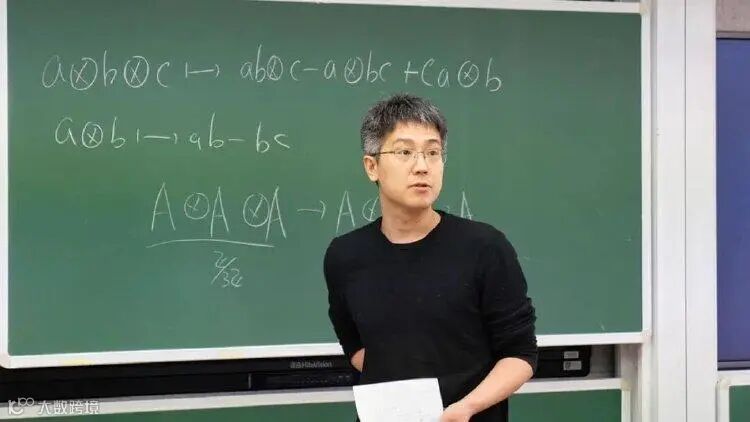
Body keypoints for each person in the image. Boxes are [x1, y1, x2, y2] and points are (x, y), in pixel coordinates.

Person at [323, 93, 537, 422]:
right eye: (405, 152)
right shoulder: (345, 255)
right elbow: (355, 346)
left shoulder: (485, 247)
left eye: (433, 153)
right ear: (372, 167)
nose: (422, 166)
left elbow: (520, 355)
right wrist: (397, 381)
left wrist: (466, 407)